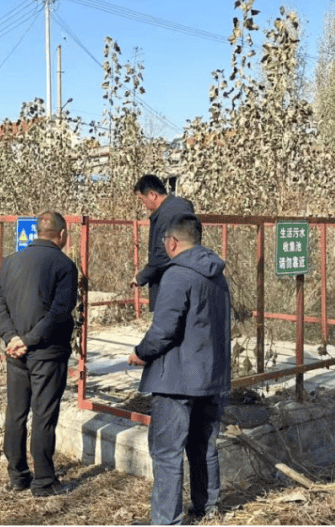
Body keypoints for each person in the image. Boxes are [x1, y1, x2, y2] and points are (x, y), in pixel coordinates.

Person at [128, 214, 232, 525]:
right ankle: (207, 509)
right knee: (204, 446)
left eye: (165, 241)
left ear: (172, 242)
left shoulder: (177, 275)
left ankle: (166, 520)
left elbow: (163, 331)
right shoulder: (217, 275)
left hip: (177, 379)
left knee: (167, 453)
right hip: (211, 376)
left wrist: (140, 353)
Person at [0, 211, 78, 498]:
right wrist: (26, 340)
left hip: (16, 353)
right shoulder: (64, 266)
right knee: (43, 416)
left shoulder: (10, 262)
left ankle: (17, 476)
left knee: (16, 413)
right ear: (61, 235)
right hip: (47, 353)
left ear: (37, 231)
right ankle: (44, 481)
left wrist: (11, 337)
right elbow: (59, 313)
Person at [131, 174, 195, 312]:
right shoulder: (182, 205)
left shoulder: (166, 215)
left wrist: (141, 277)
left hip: (169, 285)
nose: (143, 205)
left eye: (142, 200)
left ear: (152, 195)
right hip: (188, 279)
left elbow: (162, 255)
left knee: (167, 323)